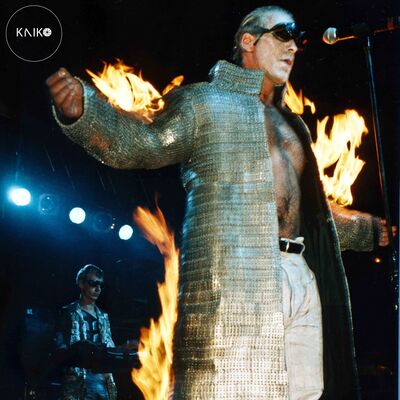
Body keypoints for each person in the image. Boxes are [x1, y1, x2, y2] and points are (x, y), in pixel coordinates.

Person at [47, 5, 393, 400]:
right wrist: (85, 114)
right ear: (248, 41)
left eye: (297, 39)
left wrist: (368, 230)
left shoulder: (294, 125)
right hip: (237, 277)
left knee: (308, 393)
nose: (293, 47)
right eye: (283, 34)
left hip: (301, 274)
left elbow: (311, 214)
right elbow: (144, 143)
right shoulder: (204, 103)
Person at [54, 264, 117, 400]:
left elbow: (109, 344)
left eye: (100, 285)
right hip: (77, 378)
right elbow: (60, 346)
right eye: (93, 283)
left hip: (101, 378)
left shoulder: (103, 316)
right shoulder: (68, 313)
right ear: (81, 284)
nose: (98, 289)